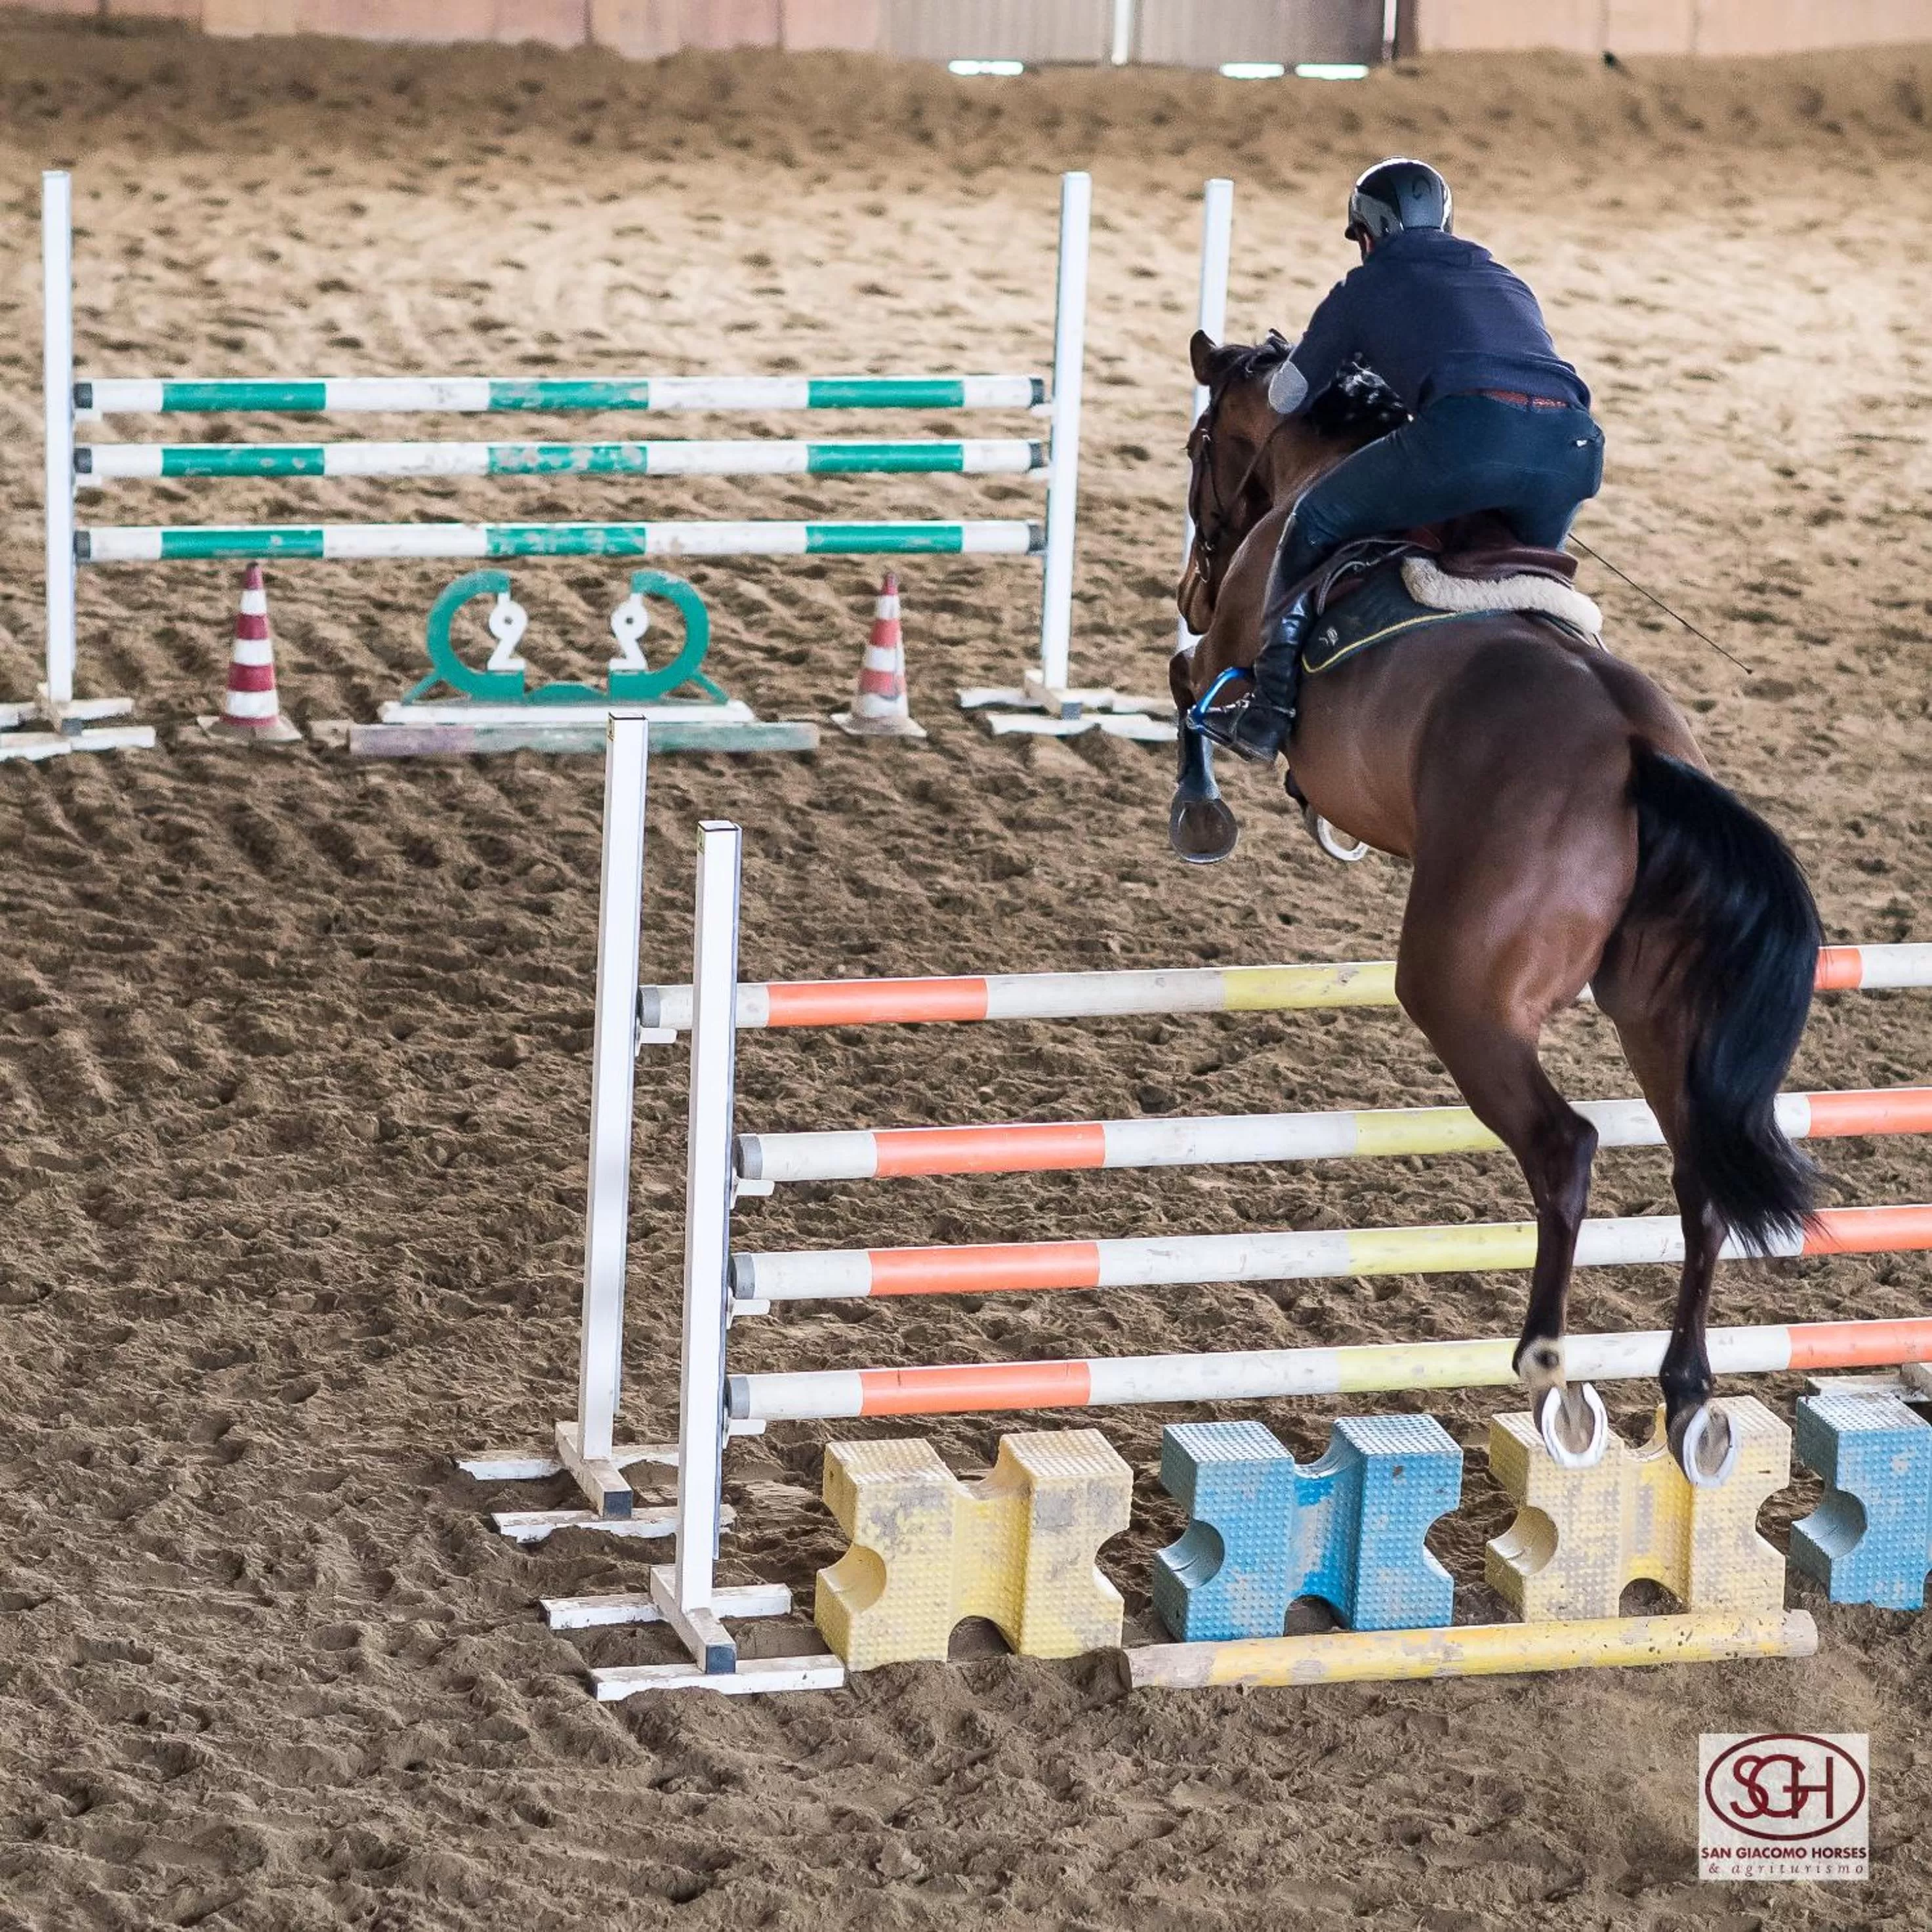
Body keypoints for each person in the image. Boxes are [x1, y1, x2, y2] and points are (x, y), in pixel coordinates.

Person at [1195, 157, 1605, 764]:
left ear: (1368, 233)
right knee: (1522, 584)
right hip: (1572, 451)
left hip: (1466, 437)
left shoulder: (1364, 286)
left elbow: (1286, 397)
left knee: (1310, 522)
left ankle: (1268, 709)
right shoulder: (1501, 275)